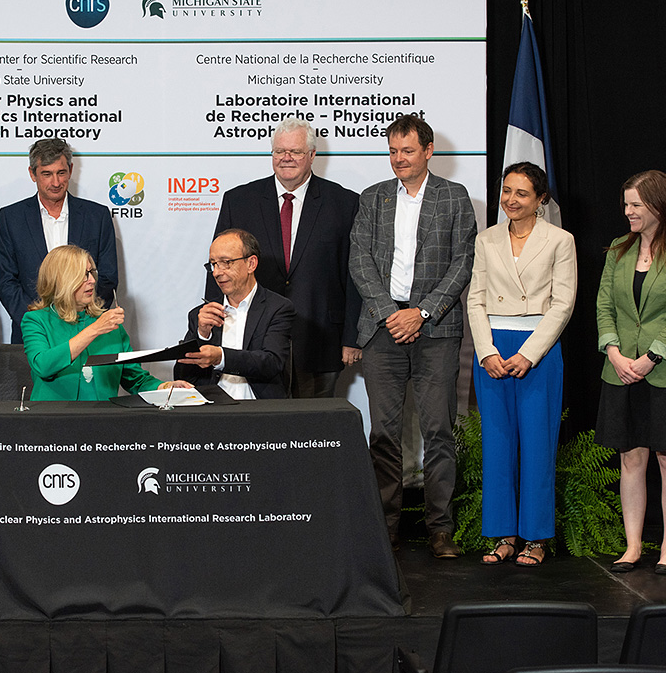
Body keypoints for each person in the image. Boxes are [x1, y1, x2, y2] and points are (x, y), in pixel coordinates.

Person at [349, 114, 477, 558]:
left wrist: (421, 312)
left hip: (436, 330)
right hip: (384, 331)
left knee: (438, 430)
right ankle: (385, 526)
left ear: (427, 151)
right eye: (392, 150)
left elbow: (464, 261)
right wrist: (390, 315)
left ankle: (440, 528)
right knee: (382, 434)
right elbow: (360, 262)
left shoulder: (454, 196)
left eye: (407, 150)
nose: (398, 159)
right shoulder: (373, 199)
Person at [595, 170, 666, 575]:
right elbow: (603, 306)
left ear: (659, 204)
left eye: (636, 205)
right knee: (630, 457)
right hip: (620, 369)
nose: (628, 212)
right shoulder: (618, 251)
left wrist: (650, 358)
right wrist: (614, 352)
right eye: (626, 204)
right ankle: (633, 545)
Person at [467, 162, 576, 567]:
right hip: (493, 350)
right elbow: (475, 298)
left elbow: (563, 304)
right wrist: (487, 352)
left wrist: (528, 354)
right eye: (506, 191)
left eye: (522, 193)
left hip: (538, 352)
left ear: (541, 199)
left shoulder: (560, 240)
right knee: (497, 446)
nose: (511, 200)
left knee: (536, 446)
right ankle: (503, 535)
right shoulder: (486, 239)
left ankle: (535, 538)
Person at [209, 118, 362, 397]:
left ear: (312, 155)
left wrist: (352, 337)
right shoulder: (240, 200)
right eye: (279, 151)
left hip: (321, 339)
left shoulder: (344, 203)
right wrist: (212, 325)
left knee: (315, 429)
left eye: (296, 152)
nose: (286, 158)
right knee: (259, 427)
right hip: (252, 340)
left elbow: (354, 276)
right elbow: (219, 265)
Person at [22, 245, 190, 400]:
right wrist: (94, 330)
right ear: (62, 280)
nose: (92, 281)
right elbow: (43, 365)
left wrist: (165, 386)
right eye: (83, 275)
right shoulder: (36, 321)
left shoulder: (110, 325)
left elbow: (134, 378)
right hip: (51, 421)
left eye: (91, 273)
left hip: (102, 420)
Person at [0, 138, 118, 342]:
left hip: (87, 333)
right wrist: (37, 324)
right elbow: (7, 282)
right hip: (32, 336)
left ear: (70, 170)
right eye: (46, 174)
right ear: (32, 173)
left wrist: (83, 322)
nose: (55, 182)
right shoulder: (11, 218)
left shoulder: (97, 216)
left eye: (61, 173)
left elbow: (107, 277)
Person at [174, 229, 295, 398]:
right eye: (213, 264)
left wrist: (220, 357)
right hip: (213, 410)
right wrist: (202, 335)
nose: (217, 272)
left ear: (251, 264)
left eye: (226, 262)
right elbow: (183, 376)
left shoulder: (277, 308)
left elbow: (272, 363)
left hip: (261, 409)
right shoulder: (201, 315)